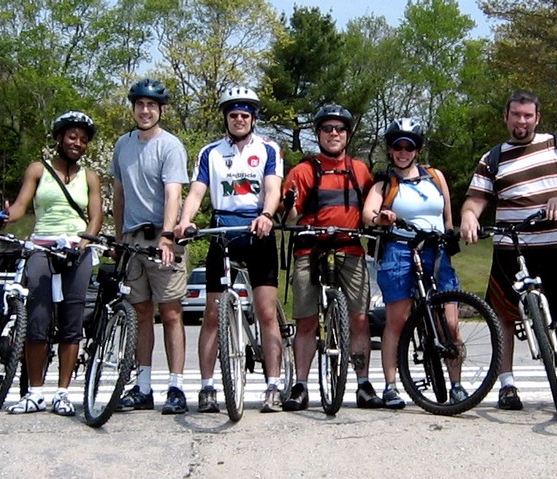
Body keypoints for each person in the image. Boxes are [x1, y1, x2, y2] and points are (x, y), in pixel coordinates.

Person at [459, 91, 557, 410]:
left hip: (553, 244)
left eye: (528, 115)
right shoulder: (493, 157)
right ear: (506, 117)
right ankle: (507, 384)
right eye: (516, 114)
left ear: (537, 117)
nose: (522, 121)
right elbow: (476, 197)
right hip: (509, 247)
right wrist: (469, 216)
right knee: (502, 316)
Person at [175, 86, 285, 413]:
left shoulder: (268, 148)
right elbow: (196, 192)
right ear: (226, 117)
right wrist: (185, 220)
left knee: (266, 311)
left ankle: (273, 385)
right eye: (233, 114)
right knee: (212, 314)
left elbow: (273, 187)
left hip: (257, 232)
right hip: (223, 232)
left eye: (245, 115)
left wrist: (267, 215)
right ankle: (207, 388)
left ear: (253, 118)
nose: (239, 119)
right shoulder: (210, 152)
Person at [280, 104, 383, 411]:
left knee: (360, 319)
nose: (334, 134)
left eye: (339, 129)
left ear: (347, 135)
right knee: (306, 320)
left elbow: (370, 210)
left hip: (349, 249)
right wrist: (289, 205)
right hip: (310, 250)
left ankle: (363, 383)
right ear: (319, 134)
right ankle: (301, 385)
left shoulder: (360, 170)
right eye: (327, 129)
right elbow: (290, 216)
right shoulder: (303, 171)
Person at [0, 111, 103, 416]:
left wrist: (84, 242)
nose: (78, 143)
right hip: (42, 247)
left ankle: (63, 393)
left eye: (83, 140)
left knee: (72, 324)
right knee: (38, 320)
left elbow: (95, 217)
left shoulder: (90, 177)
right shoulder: (38, 169)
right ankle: (34, 392)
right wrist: (6, 217)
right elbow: (20, 206)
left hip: (75, 249)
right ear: (59, 138)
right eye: (72, 137)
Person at [361, 118, 463, 409]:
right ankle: (391, 386)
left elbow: (447, 215)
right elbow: (368, 213)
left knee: (450, 325)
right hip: (399, 250)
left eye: (409, 147)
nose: (403, 152)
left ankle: (456, 385)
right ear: (391, 150)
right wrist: (381, 217)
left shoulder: (435, 176)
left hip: (435, 251)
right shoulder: (384, 183)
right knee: (397, 319)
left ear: (417, 150)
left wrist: (449, 235)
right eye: (398, 147)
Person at [112, 78, 191, 415]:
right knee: (141, 313)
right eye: (140, 105)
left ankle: (176, 386)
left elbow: (174, 192)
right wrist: (117, 239)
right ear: (133, 108)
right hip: (131, 239)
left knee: (171, 312)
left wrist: (168, 235)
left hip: (162, 238)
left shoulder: (170, 146)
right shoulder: (122, 145)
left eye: (151, 106)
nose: (145, 111)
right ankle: (142, 386)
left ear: (161, 110)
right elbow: (118, 193)